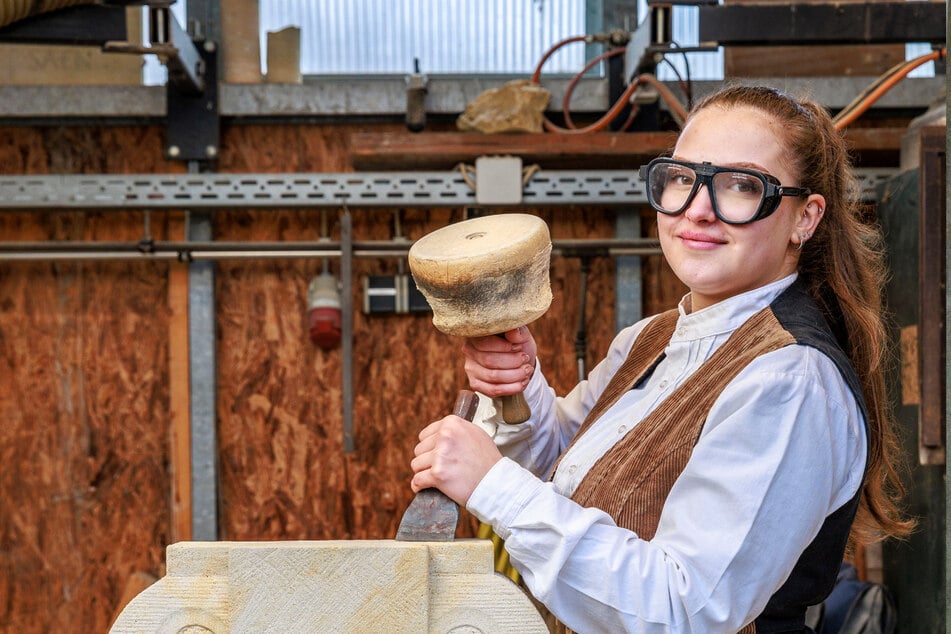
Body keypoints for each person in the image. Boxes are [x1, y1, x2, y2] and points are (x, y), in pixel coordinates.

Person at [408, 85, 912, 632]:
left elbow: (684, 608)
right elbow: (563, 469)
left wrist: (492, 484)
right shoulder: (653, 337)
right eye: (682, 178)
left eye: (741, 186)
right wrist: (519, 387)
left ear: (804, 218)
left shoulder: (790, 379)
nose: (697, 209)